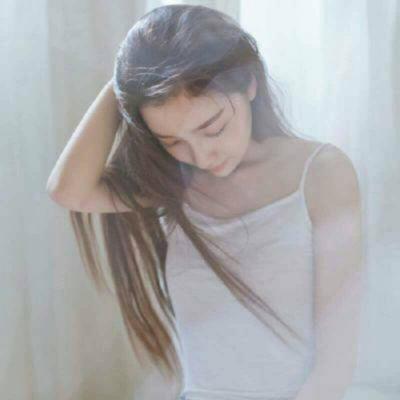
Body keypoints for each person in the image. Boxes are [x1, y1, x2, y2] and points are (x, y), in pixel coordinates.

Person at [46, 5, 363, 400]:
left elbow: (334, 367)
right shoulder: (174, 185)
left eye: (212, 128)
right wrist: (126, 77)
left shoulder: (321, 174)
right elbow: (68, 190)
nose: (200, 156)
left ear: (249, 83)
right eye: (172, 142)